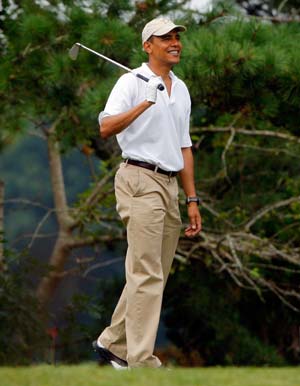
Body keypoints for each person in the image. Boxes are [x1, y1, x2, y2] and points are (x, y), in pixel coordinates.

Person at [93, 17, 202, 369]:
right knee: (147, 272)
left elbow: (184, 147)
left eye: (176, 37)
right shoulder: (130, 82)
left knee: (154, 272)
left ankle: (111, 342)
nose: (174, 43)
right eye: (165, 38)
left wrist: (192, 199)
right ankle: (140, 360)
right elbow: (106, 126)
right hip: (139, 179)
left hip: (170, 185)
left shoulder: (181, 88)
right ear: (147, 46)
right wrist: (143, 104)